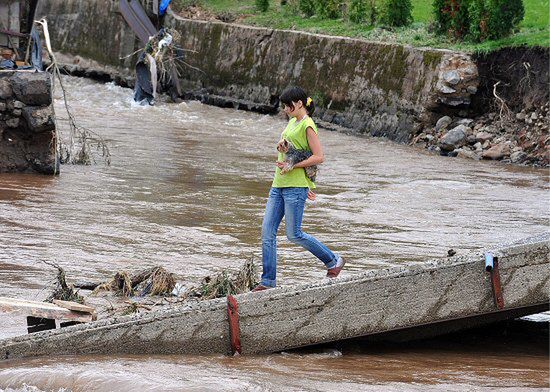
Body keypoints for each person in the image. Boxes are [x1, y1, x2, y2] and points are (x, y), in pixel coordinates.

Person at [252, 86, 345, 292]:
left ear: (300, 104)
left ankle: (333, 260)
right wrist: (283, 147)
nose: (285, 109)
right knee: (267, 231)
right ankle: (268, 281)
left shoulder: (308, 125)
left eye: (288, 105)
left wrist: (293, 167)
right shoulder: (293, 122)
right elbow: (296, 150)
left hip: (295, 186)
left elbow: (318, 156)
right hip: (279, 184)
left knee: (294, 234)